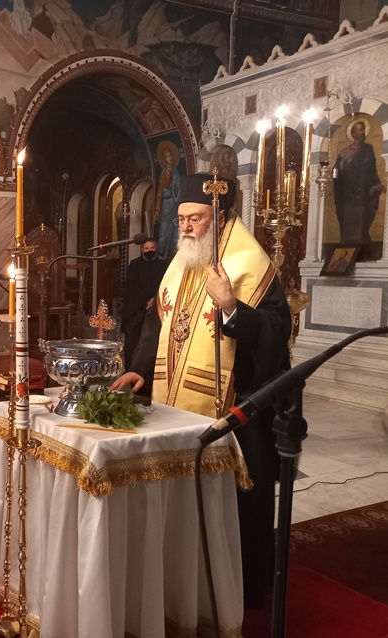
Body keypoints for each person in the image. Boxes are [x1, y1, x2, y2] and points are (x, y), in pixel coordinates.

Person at [109, 173, 291, 608]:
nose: (187, 227)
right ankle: (181, 581)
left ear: (220, 217)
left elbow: (276, 330)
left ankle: (236, 586)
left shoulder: (250, 263)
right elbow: (159, 323)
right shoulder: (181, 264)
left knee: (236, 507)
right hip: (177, 407)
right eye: (181, 219)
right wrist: (138, 369)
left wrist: (231, 306)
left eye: (197, 218)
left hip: (236, 410)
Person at [333, 119, 385, 247]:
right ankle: (347, 247)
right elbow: (337, 173)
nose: (363, 132)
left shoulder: (368, 149)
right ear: (353, 133)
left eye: (363, 129)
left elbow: (372, 170)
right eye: (360, 130)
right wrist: (344, 163)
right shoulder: (344, 152)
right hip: (348, 195)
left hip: (364, 194)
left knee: (363, 221)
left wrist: (377, 183)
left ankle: (362, 246)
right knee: (348, 220)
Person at [121, 239, 167, 368]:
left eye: (152, 248)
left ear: (156, 249)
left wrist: (155, 299)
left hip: (157, 307)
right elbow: (132, 287)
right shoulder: (134, 265)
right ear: (142, 250)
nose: (149, 251)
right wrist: (146, 302)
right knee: (135, 342)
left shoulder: (162, 265)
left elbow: (164, 284)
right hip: (138, 308)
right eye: (147, 249)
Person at [154, 143, 181, 260]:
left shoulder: (175, 170)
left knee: (175, 229)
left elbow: (179, 187)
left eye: (170, 156)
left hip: (175, 203)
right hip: (166, 205)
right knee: (164, 231)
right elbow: (159, 194)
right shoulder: (164, 173)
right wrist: (157, 210)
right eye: (167, 156)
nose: (170, 158)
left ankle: (173, 253)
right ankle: (162, 254)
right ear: (164, 158)